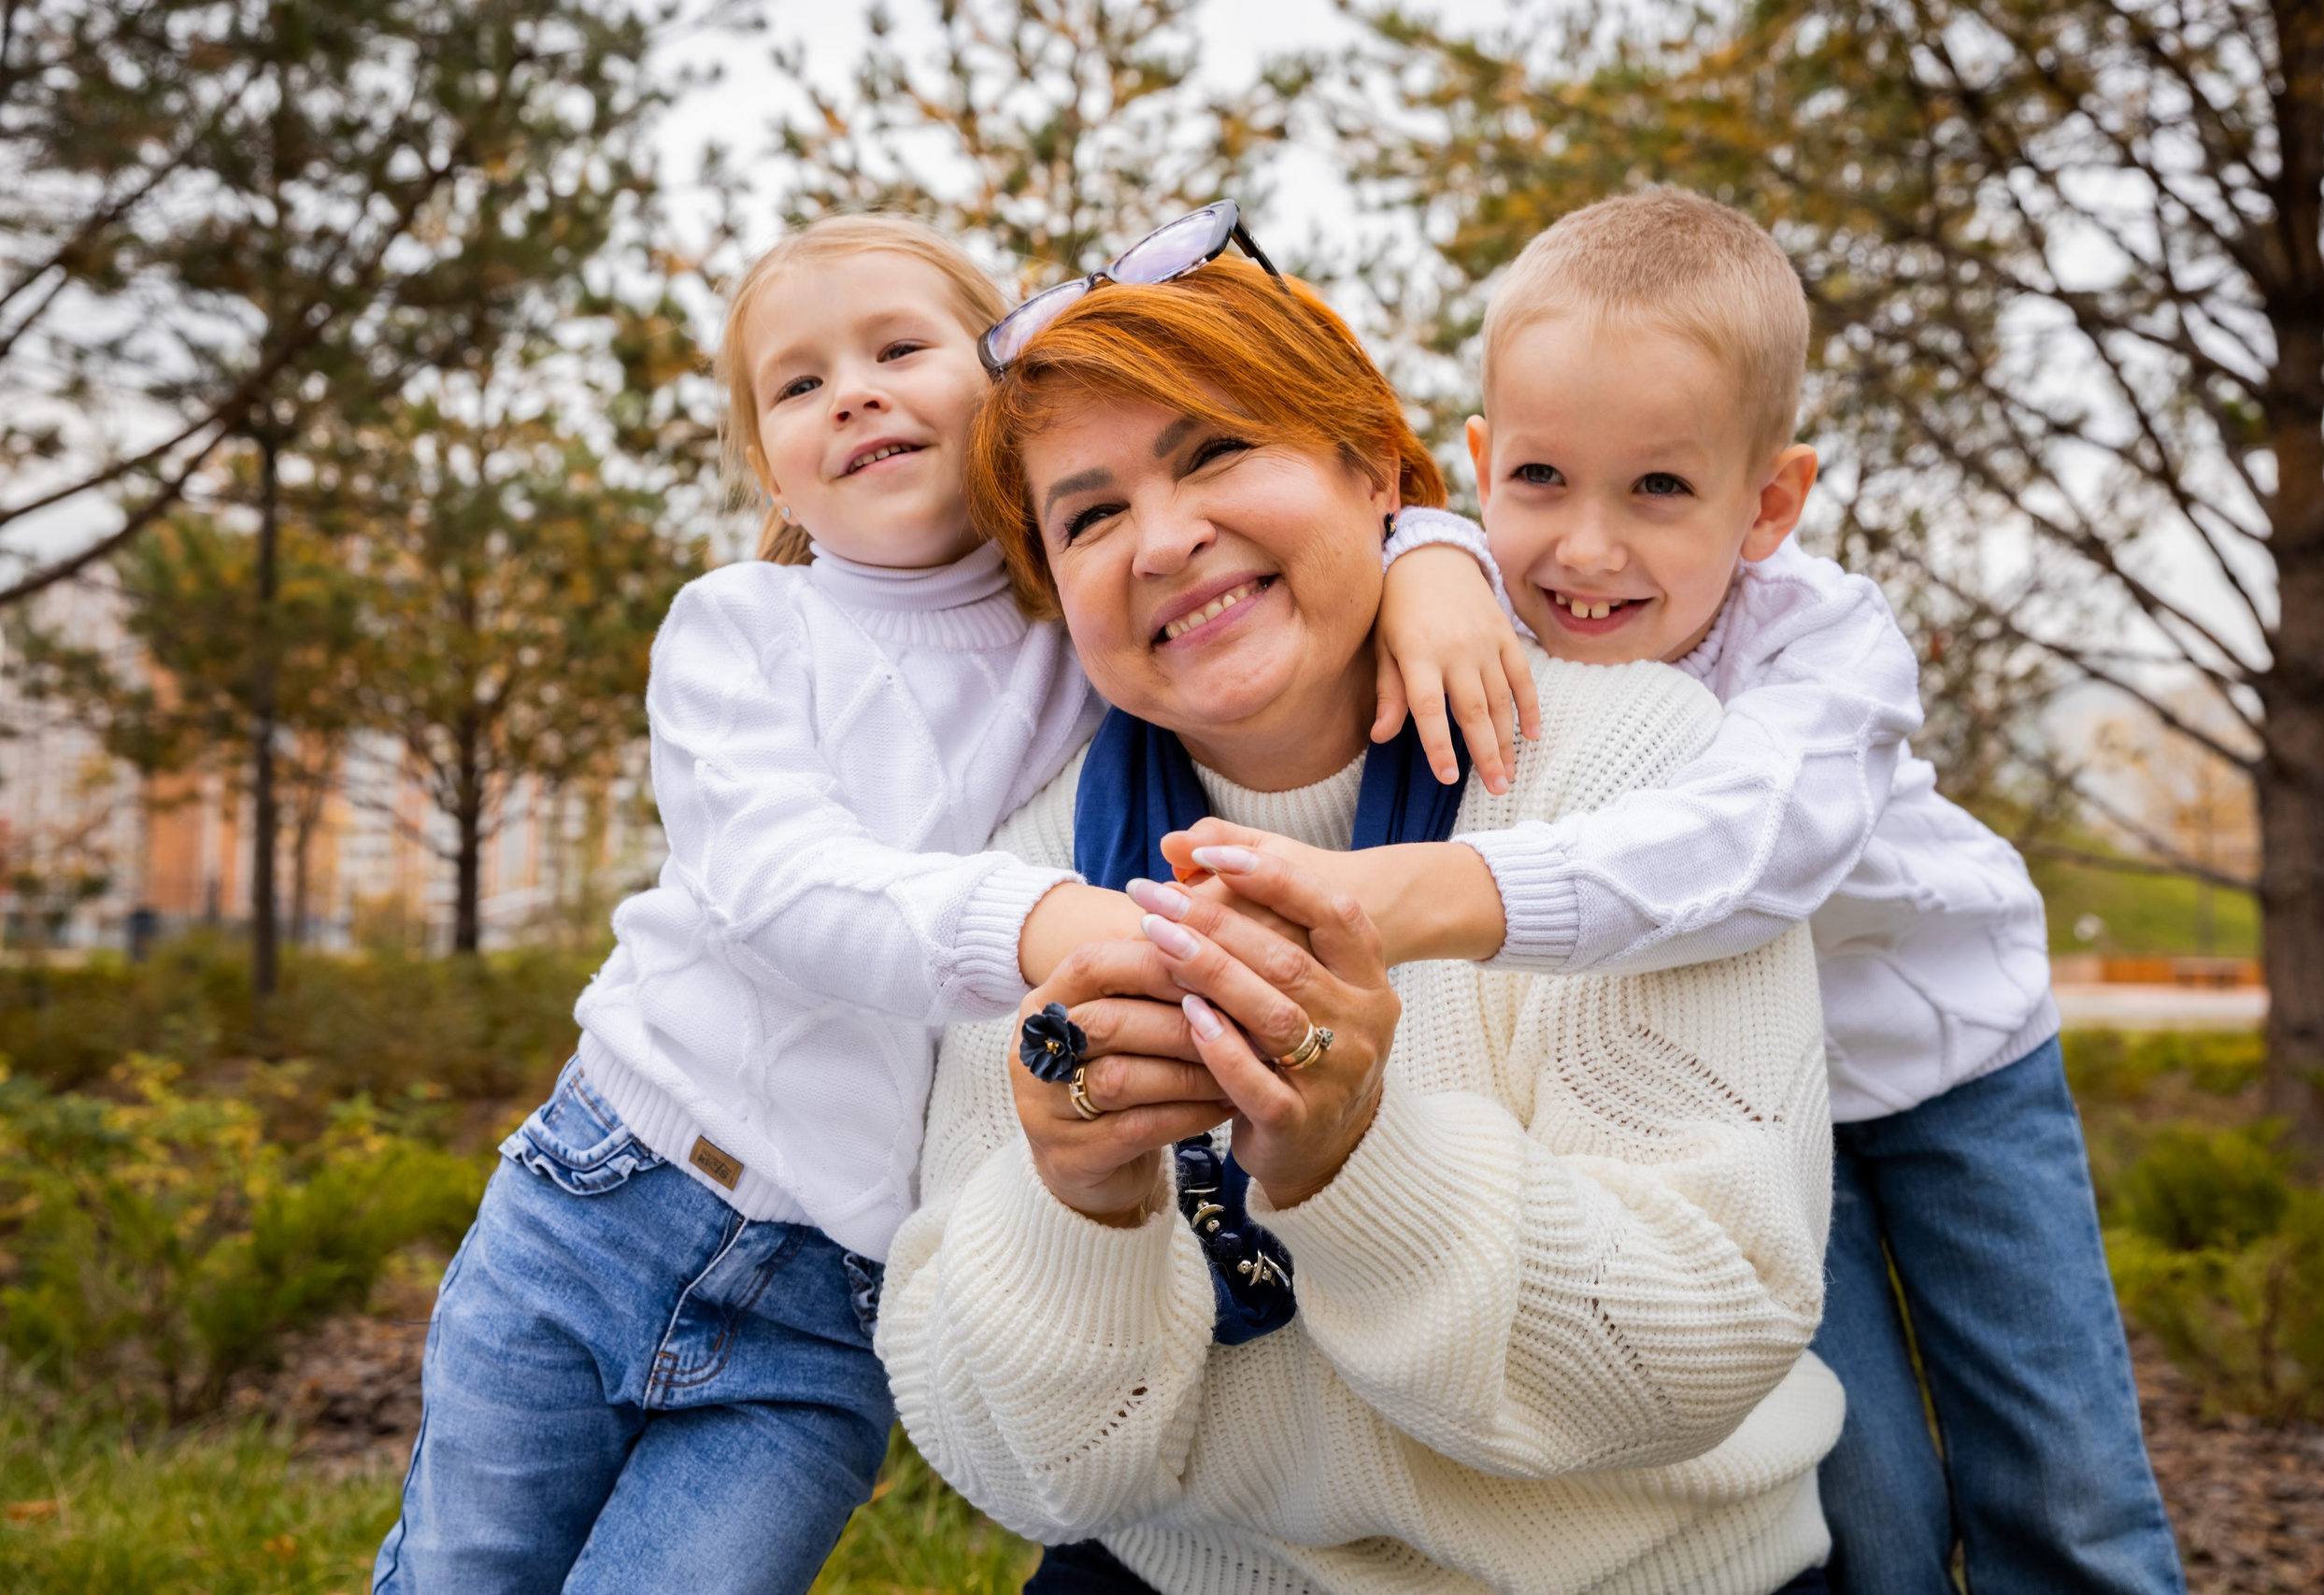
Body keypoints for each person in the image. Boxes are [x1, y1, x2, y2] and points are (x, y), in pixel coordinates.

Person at [369, 211, 1529, 1594]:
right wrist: (1044, 921)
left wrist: (1435, 560)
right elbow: (777, 883)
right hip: (609, 1193)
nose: (850, 390)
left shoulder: (1075, 628)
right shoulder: (744, 627)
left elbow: (1259, 561)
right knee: (461, 1570)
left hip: (829, 1301)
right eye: (798, 385)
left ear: (1003, 408)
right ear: (773, 472)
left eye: (898, 348)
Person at [1187, 189, 2184, 1595]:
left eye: (1659, 489)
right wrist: (1427, 561)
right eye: (1538, 483)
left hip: (1949, 1067)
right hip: (1755, 1109)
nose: (1586, 549)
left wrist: (1439, 891)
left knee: (2058, 1473)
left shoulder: (1827, 650)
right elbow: (1411, 536)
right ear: (1483, 468)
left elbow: (1739, 859)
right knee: (1864, 1503)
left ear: (1769, 500)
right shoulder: (1478, 586)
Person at [877, 249, 1843, 1594]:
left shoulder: (1639, 776)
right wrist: (1077, 1202)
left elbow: (1712, 1330)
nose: (1162, 541)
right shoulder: (1034, 879)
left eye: (1215, 452)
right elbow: (1010, 1460)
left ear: (1377, 474)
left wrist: (1356, 1157)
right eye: (1089, 518)